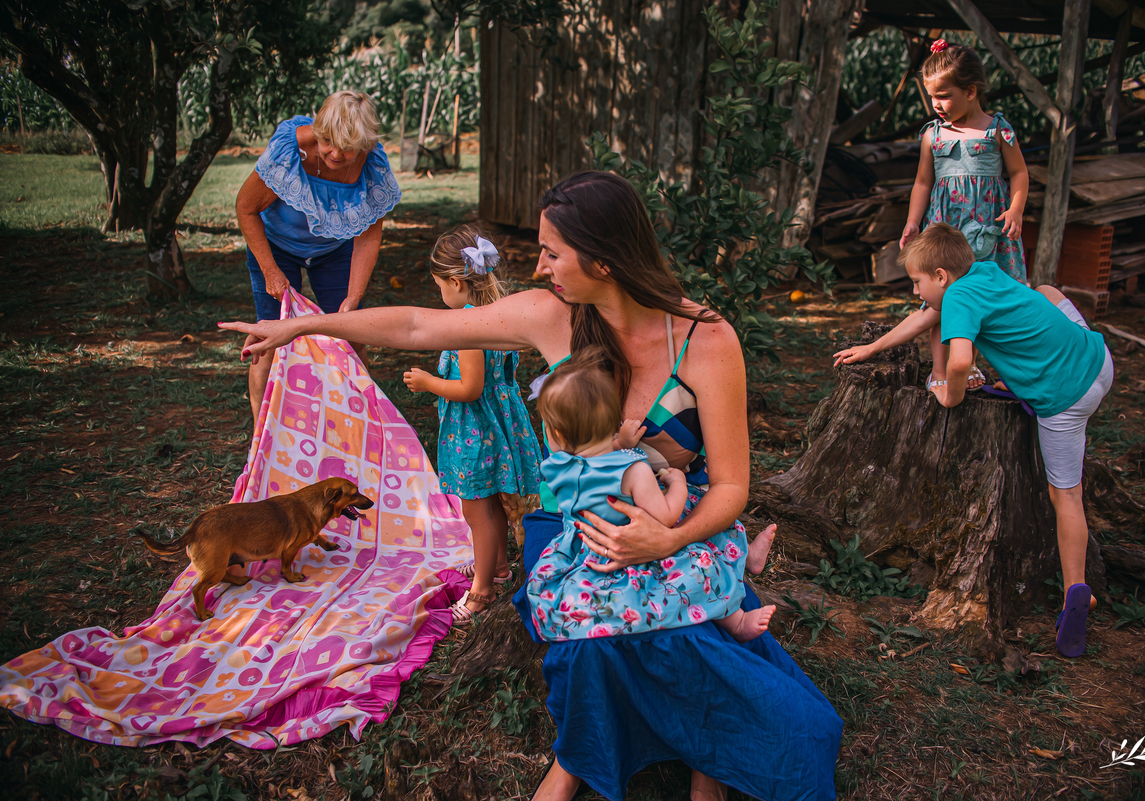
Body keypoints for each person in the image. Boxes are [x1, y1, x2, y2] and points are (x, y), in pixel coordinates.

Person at [219, 171, 842, 801]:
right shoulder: (552, 317)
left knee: (691, 636)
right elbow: (417, 328)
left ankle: (709, 770)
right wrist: (305, 327)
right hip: (576, 523)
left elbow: (732, 485)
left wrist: (668, 538)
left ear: (603, 261)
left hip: (675, 515)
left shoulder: (705, 340)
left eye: (552, 253)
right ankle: (581, 758)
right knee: (588, 644)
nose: (539, 267)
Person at [903, 224, 1112, 658]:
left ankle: (1077, 590)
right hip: (1097, 359)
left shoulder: (956, 299)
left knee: (1066, 495)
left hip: (1065, 399)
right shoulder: (985, 271)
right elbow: (926, 316)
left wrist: (949, 395)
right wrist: (871, 349)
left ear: (941, 276)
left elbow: (959, 362)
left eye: (918, 282)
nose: (916, 292)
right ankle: (1034, 368)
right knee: (1047, 291)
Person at [528, 347, 776, 643]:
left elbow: (591, 461)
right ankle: (736, 621)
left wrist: (619, 444)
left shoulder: (557, 467)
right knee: (700, 562)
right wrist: (678, 483)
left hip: (586, 553)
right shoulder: (634, 471)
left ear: (556, 434)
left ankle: (747, 560)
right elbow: (665, 517)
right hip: (637, 549)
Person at [235, 90, 401, 425]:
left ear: (365, 144)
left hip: (333, 249)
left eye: (348, 147)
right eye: (328, 142)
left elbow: (368, 236)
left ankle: (362, 427)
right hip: (276, 245)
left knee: (353, 333)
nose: (336, 154)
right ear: (318, 130)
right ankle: (262, 435)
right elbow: (245, 207)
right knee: (269, 338)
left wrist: (353, 297)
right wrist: (270, 271)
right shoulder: (290, 149)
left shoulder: (372, 164)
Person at [401, 225, 541, 623]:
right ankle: (496, 568)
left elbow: (470, 388)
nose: (439, 295)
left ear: (456, 282)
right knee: (491, 504)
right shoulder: (497, 313)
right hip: (499, 424)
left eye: (439, 286)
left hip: (476, 433)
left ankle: (481, 592)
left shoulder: (467, 327)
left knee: (477, 513)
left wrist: (428, 382)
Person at [896, 39, 1030, 391]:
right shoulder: (932, 135)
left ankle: (972, 365)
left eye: (944, 96)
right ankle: (941, 370)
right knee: (942, 299)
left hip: (986, 230)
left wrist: (1015, 209)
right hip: (945, 228)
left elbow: (1019, 172)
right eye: (932, 97)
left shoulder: (998, 130)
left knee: (984, 296)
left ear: (971, 91)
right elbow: (923, 182)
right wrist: (913, 221)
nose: (936, 105)